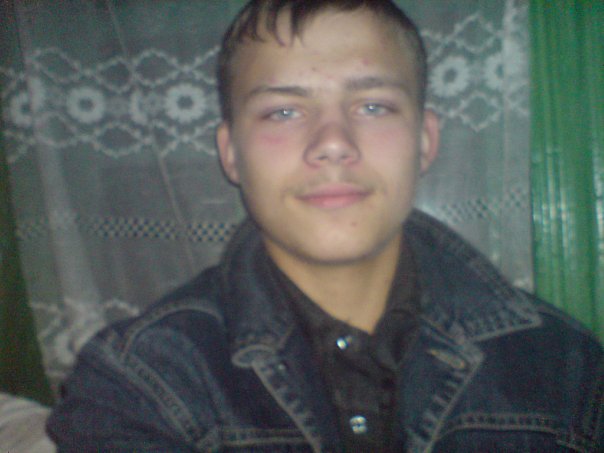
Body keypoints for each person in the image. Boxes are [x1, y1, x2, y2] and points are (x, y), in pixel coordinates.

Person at [47, 1, 603, 451]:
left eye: (374, 106)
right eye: (283, 111)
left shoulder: (567, 371)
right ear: (231, 153)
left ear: (425, 141)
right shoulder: (143, 383)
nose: (333, 142)